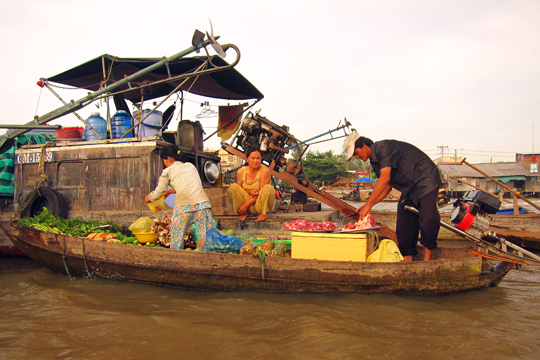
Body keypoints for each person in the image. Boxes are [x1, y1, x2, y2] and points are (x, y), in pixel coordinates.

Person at [344, 132, 442, 261]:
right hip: (409, 188)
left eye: (356, 153)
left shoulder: (383, 148)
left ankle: (427, 260)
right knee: (404, 222)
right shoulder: (375, 163)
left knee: (428, 217)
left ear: (364, 145)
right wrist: (370, 204)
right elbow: (387, 186)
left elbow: (385, 178)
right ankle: (408, 262)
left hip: (425, 179)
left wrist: (368, 205)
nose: (357, 157)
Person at [145, 144, 213, 250]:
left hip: (183, 208)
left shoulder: (167, 171)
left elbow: (159, 192)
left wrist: (149, 198)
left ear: (169, 158)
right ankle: (212, 260)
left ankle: (176, 262)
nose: (164, 163)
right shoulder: (191, 166)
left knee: (177, 240)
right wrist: (170, 191)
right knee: (208, 239)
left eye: (163, 160)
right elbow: (190, 184)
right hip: (202, 205)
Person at [228, 147, 275, 221]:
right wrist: (250, 192)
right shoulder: (241, 171)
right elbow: (239, 191)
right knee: (233, 187)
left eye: (258, 158)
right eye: (253, 158)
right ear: (247, 159)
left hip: (259, 205)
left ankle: (264, 213)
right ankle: (245, 213)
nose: (255, 161)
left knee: (269, 188)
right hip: (247, 207)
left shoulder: (264, 170)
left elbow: (263, 191)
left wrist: (246, 205)